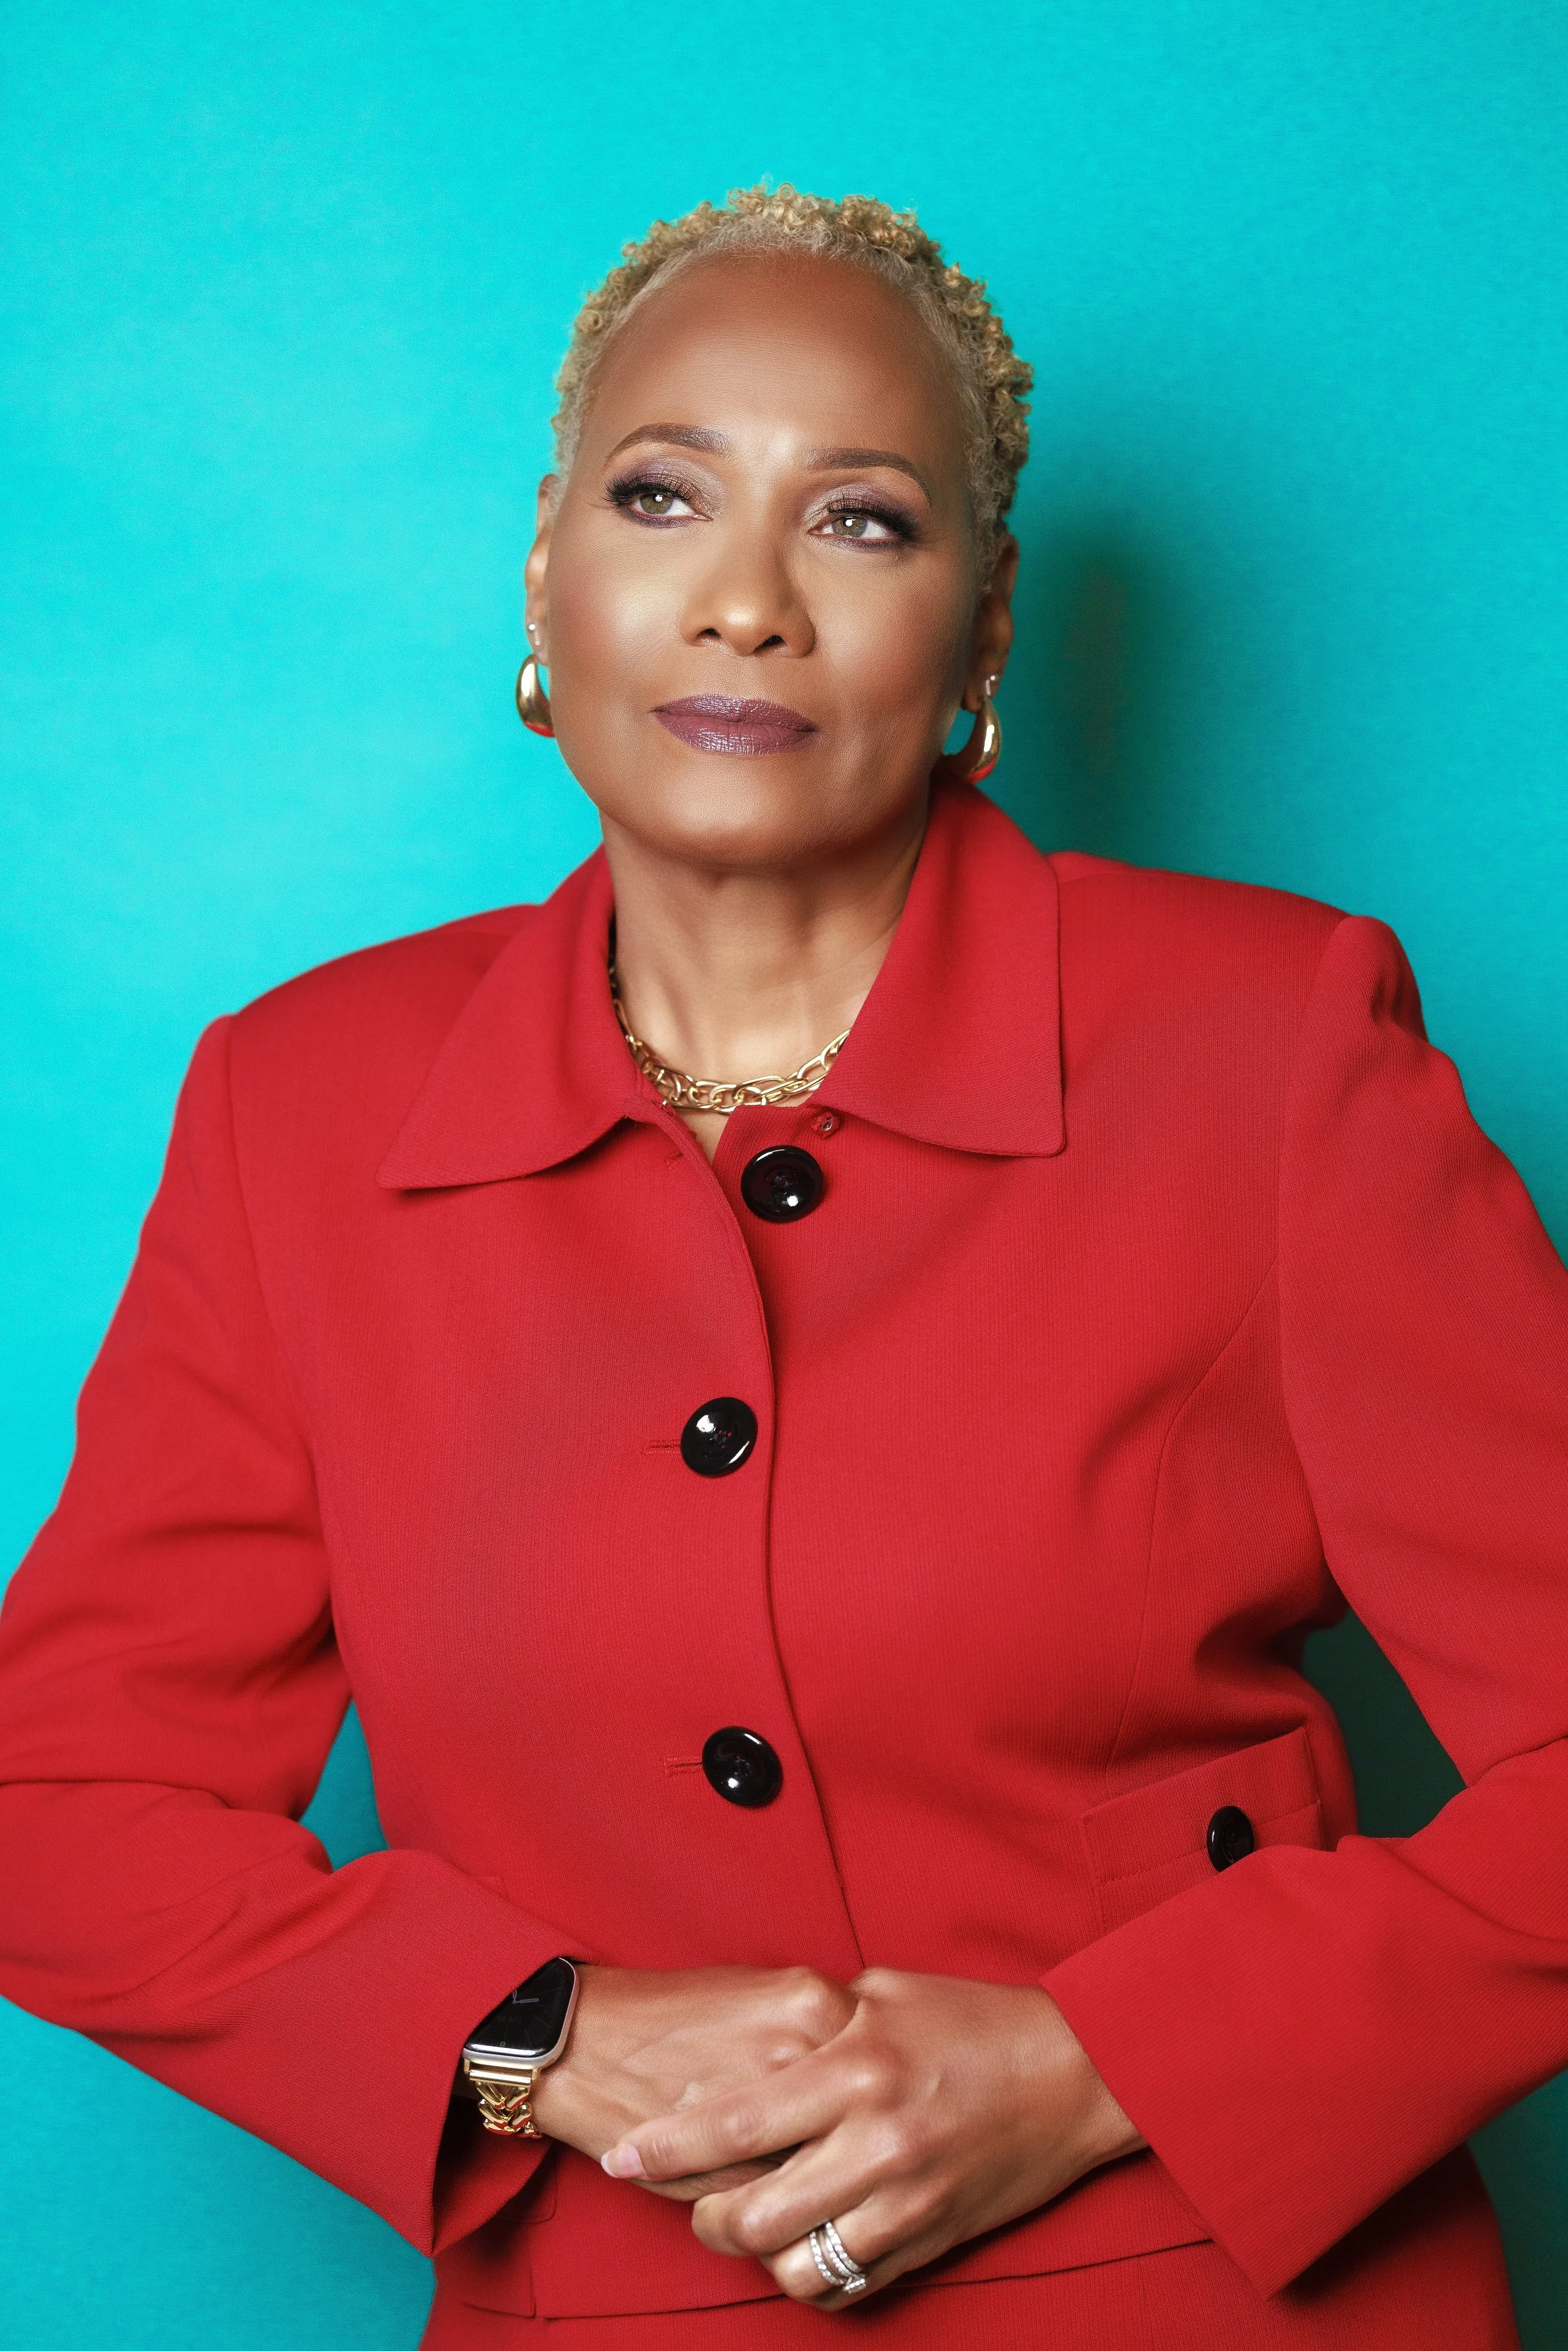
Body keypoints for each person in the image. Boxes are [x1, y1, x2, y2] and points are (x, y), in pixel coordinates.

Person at [0, 183, 1562, 2351]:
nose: (742, 604)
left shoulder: (1269, 1047)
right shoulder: (305, 1103)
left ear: (985, 626)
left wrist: (1105, 2065)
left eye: (860, 523)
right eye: (663, 497)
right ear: (545, 566)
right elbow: (64, 1801)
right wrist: (533, 2034)